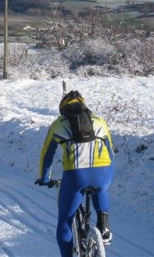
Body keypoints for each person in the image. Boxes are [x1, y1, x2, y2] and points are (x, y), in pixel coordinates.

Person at [35, 90, 115, 257]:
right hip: (104, 172)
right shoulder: (100, 121)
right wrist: (109, 176)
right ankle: (103, 222)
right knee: (100, 189)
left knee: (64, 221)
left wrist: (44, 178)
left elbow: (47, 154)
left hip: (76, 175)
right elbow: (111, 152)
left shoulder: (59, 124)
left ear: (63, 108)